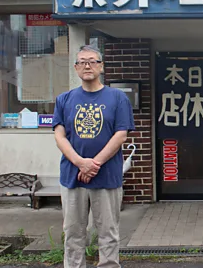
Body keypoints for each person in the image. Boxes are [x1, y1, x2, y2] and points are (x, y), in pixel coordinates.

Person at [52, 45, 135, 268]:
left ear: (101, 66)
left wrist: (94, 164)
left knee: (108, 235)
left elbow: (121, 135)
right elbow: (60, 137)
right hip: (72, 176)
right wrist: (81, 163)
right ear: (76, 67)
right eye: (82, 62)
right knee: (73, 235)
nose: (87, 66)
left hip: (107, 176)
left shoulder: (117, 98)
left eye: (92, 61)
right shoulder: (64, 99)